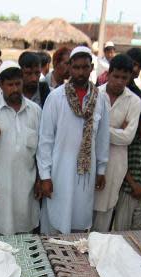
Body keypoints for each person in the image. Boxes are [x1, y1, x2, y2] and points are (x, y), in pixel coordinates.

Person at [37, 47, 110, 234]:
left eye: (85, 67)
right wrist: (45, 175)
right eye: (76, 67)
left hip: (86, 173)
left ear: (91, 68)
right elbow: (45, 140)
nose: (80, 72)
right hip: (59, 172)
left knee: (80, 218)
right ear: (69, 67)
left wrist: (101, 169)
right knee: (55, 219)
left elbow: (102, 138)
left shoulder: (100, 99)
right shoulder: (55, 97)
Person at [0, 62, 41, 235]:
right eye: (10, 85)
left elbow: (41, 151)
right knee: (1, 234)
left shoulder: (35, 111)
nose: (15, 89)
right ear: (1, 86)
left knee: (26, 230)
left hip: (27, 188)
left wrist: (39, 180)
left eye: (18, 84)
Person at [92, 55, 141, 232]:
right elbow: (87, 130)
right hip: (92, 158)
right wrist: (115, 129)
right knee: (86, 207)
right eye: (116, 76)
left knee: (105, 211)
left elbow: (128, 137)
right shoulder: (95, 93)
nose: (120, 81)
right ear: (109, 74)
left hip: (116, 162)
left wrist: (100, 128)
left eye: (124, 78)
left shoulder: (134, 101)